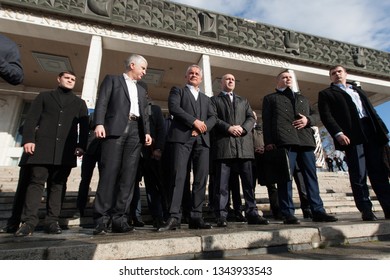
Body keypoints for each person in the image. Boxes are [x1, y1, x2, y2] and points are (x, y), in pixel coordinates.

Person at [14, 71, 89, 237]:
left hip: (65, 151)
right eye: (67, 78)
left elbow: (84, 128)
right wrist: (28, 139)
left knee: (58, 185)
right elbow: (32, 119)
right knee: (36, 183)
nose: (70, 81)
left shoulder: (79, 103)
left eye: (73, 79)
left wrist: (81, 146)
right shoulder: (44, 97)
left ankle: (52, 221)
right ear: (59, 79)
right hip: (41, 148)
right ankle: (28, 222)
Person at [262, 69, 337, 224]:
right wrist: (269, 142)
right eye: (284, 77)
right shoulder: (270, 98)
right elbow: (267, 121)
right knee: (285, 178)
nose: (287, 79)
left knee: (311, 177)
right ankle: (287, 213)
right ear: (278, 81)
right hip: (284, 142)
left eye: (290, 77)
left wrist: (308, 120)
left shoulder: (302, 98)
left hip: (305, 142)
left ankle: (317, 210)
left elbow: (317, 115)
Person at [318, 65, 390, 221]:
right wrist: (338, 133)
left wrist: (382, 131)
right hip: (351, 134)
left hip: (371, 131)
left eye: (339, 72)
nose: (337, 75)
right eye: (333, 73)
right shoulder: (326, 94)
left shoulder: (357, 90)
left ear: (345, 74)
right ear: (330, 77)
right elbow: (326, 116)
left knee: (379, 172)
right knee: (358, 172)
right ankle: (366, 210)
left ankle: (388, 207)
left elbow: (371, 110)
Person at [92, 54, 152, 235]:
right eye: (143, 68)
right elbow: (102, 102)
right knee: (109, 174)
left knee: (128, 178)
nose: (144, 72)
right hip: (115, 129)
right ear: (132, 65)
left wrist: (147, 132)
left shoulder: (142, 89)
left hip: (136, 132)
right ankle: (101, 220)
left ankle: (120, 219)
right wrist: (99, 123)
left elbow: (145, 112)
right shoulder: (112, 80)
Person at [157, 64, 216, 231]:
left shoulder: (206, 99)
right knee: (178, 177)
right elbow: (174, 108)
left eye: (197, 73)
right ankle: (174, 216)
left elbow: (213, 117)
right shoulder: (178, 91)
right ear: (186, 76)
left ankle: (196, 216)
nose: (194, 75)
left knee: (200, 179)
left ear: (201, 78)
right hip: (181, 139)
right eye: (191, 73)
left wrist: (203, 126)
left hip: (202, 141)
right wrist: (194, 122)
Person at [211, 73, 269, 227]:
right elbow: (213, 118)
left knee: (248, 184)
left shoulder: (243, 100)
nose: (230, 81)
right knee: (222, 185)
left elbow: (251, 117)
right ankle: (222, 215)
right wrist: (229, 127)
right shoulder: (214, 100)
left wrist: (243, 129)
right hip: (224, 148)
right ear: (221, 82)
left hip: (244, 148)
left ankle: (252, 213)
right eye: (227, 79)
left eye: (233, 79)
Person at [129, 81, 168, 228]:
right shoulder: (130, 107)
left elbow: (161, 131)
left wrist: (159, 149)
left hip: (151, 154)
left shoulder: (155, 109)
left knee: (153, 187)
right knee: (132, 186)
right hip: (133, 154)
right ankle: (135, 216)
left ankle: (157, 216)